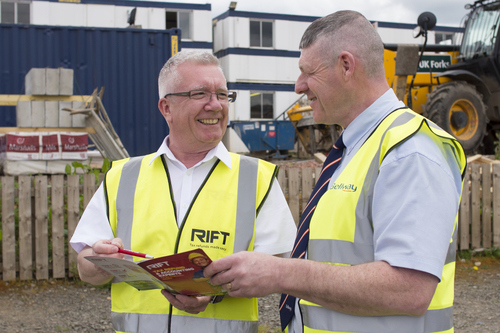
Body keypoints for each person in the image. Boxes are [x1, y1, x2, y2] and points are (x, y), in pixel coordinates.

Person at [203, 10, 466, 333]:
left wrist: (281, 273)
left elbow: (408, 289)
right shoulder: (356, 148)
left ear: (345, 65)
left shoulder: (409, 152)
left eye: (308, 72)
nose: (300, 86)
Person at [70, 50, 296, 333]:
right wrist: (101, 261)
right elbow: (84, 268)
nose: (215, 105)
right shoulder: (123, 176)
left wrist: (215, 290)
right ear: (166, 108)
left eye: (223, 95)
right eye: (200, 94)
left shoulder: (257, 178)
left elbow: (278, 271)